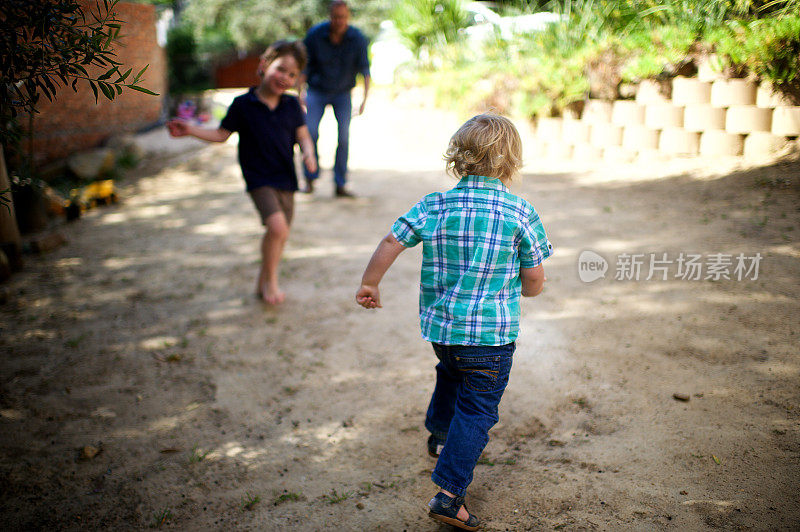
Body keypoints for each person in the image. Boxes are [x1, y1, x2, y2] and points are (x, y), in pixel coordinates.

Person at [355, 113, 553, 530]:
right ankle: (448, 494)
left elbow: (393, 240)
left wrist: (371, 283)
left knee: (450, 373)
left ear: (458, 159)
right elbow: (533, 278)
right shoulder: (521, 212)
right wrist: (530, 291)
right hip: (491, 339)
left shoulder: (435, 204)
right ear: (511, 162)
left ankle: (439, 434)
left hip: (443, 331)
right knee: (478, 408)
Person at [168, 40, 317, 305]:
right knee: (278, 227)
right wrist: (190, 129)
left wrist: (309, 152)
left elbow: (303, 136)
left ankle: (262, 282)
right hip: (258, 179)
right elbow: (220, 134)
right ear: (264, 64)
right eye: (281, 69)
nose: (285, 77)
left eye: (292, 74)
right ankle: (272, 281)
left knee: (279, 234)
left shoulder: (292, 106)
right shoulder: (242, 105)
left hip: (286, 178)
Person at [300, 0, 370, 197]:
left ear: (347, 17)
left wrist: (364, 99)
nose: (339, 21)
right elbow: (304, 66)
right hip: (316, 90)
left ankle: (340, 183)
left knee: (344, 137)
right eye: (336, 17)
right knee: (310, 132)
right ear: (330, 17)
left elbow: (365, 70)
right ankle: (309, 178)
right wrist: (300, 94)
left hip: (342, 93)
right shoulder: (315, 35)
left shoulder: (357, 38)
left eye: (343, 17)